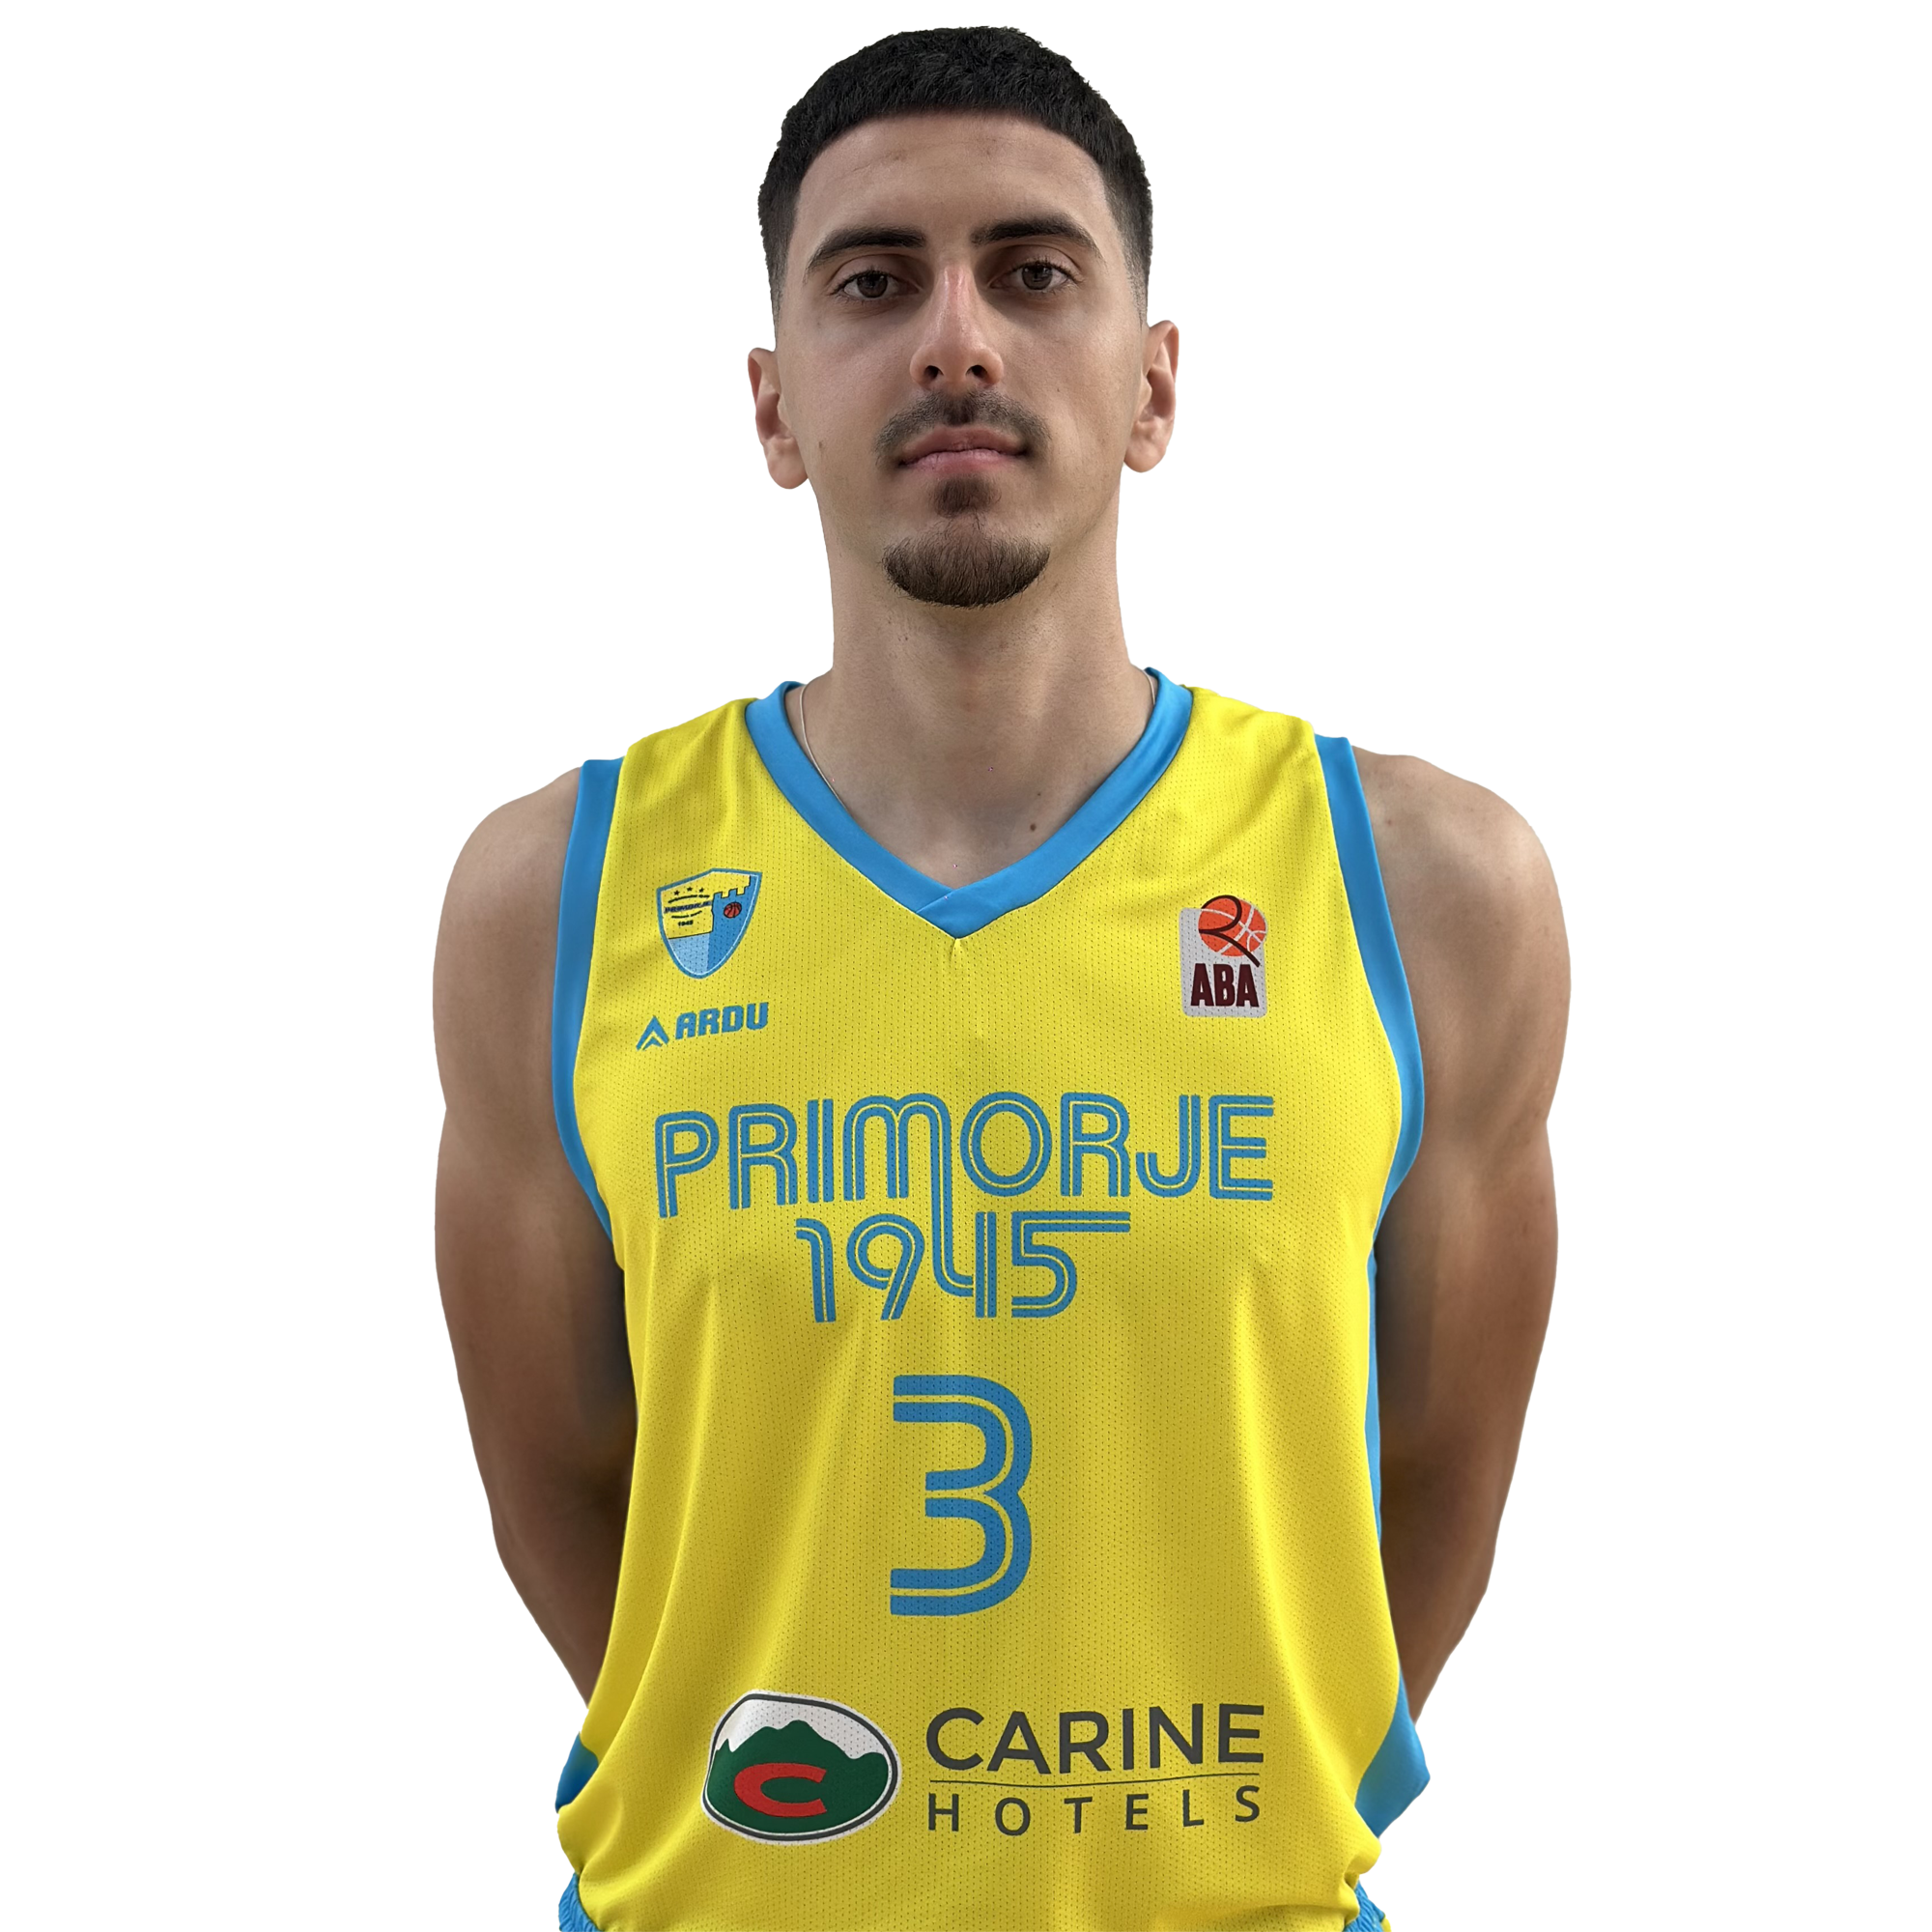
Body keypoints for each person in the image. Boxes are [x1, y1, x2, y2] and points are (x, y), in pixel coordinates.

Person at [434, 27, 1568, 1932]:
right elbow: (562, 1484)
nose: (956, 339)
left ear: (1152, 382)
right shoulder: (556, 896)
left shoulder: (1426, 888)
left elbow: (1440, 1468)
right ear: (775, 403)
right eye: (874, 283)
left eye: (1033, 273)